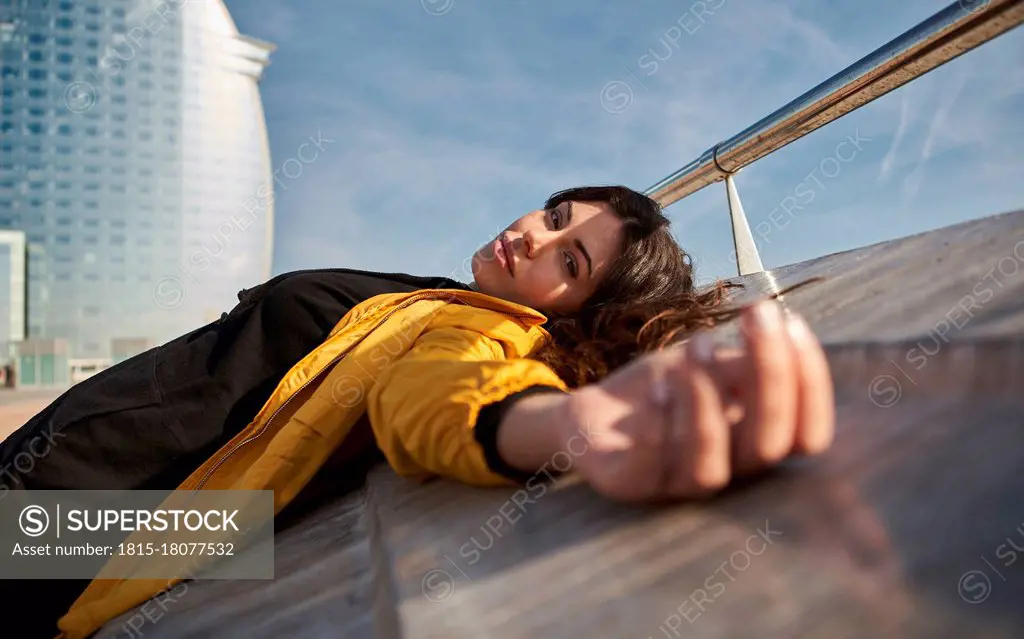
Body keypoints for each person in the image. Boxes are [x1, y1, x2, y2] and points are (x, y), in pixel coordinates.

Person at [0, 185, 833, 638]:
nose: (533, 238)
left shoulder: (484, 328)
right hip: (58, 480)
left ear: (575, 311)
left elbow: (443, 392)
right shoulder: (444, 293)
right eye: (553, 216)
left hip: (79, 524)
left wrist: (560, 428)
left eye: (568, 258)